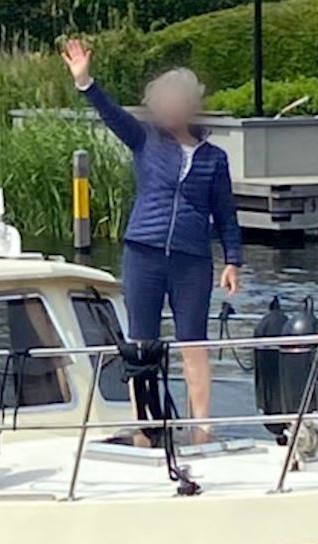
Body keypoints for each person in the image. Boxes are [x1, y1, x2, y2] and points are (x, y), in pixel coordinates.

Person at [61, 38, 242, 437]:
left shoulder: (214, 158)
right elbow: (110, 114)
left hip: (191, 258)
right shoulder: (144, 139)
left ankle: (202, 426)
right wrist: (85, 81)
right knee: (141, 342)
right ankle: (144, 423)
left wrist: (233, 260)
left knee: (193, 342)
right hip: (144, 251)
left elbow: (226, 214)